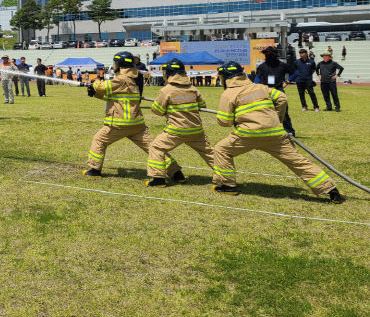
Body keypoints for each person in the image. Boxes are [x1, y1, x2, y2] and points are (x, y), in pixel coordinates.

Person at [212, 61, 345, 203]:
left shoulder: (228, 94)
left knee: (221, 150)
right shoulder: (261, 87)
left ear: (226, 78)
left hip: (248, 135)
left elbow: (224, 122)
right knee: (298, 162)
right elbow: (282, 97)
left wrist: (235, 118)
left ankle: (228, 186)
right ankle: (331, 191)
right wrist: (277, 118)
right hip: (275, 133)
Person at [82, 51, 180, 178]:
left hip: (119, 124)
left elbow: (103, 87)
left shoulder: (121, 79)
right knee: (153, 148)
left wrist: (94, 83)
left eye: (115, 63)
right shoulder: (133, 79)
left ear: (120, 65)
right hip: (137, 125)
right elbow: (115, 98)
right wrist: (94, 93)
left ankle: (94, 169)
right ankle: (176, 172)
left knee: (99, 140)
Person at [146, 59, 213, 187]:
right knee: (209, 153)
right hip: (195, 130)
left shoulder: (166, 90)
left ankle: (158, 179)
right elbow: (202, 106)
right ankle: (226, 177)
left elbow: (157, 111)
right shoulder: (193, 89)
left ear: (169, 74)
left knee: (156, 147)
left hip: (176, 131)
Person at [254, 46, 295, 136]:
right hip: (266, 91)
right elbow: (257, 79)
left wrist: (287, 81)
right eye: (266, 54)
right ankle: (266, 131)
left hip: (279, 91)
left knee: (283, 112)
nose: (267, 56)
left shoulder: (282, 65)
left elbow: (295, 72)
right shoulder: (262, 67)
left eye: (269, 54)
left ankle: (289, 131)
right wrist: (257, 87)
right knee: (265, 112)